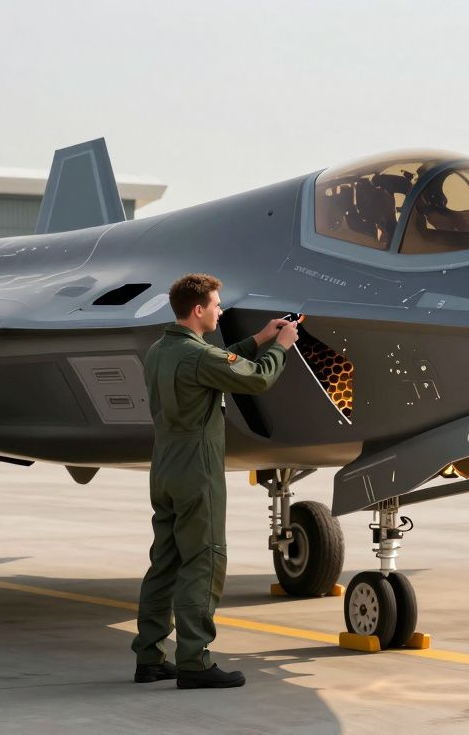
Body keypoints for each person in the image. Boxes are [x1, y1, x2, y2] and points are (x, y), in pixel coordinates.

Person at [131, 273, 298, 689]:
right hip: (197, 469)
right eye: (217, 304)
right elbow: (256, 378)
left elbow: (216, 361)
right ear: (198, 309)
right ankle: (195, 661)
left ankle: (149, 658)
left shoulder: (159, 351)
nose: (221, 310)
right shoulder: (198, 357)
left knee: (164, 563)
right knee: (204, 561)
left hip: (165, 466)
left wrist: (259, 338)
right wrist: (281, 347)